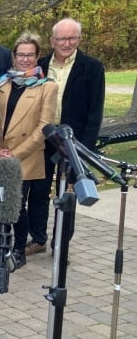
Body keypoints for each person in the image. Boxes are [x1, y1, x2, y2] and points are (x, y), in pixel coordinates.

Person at [0, 33, 58, 269]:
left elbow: (44, 127)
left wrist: (15, 154)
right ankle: (1, 246)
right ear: (13, 56)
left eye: (30, 55)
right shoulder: (1, 82)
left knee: (17, 205)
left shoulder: (47, 87)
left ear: (38, 56)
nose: (25, 59)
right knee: (0, 201)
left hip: (24, 156)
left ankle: (18, 249)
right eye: (20, 55)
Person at [34, 18, 105, 255]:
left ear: (79, 39)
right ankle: (38, 238)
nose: (67, 43)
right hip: (44, 138)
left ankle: (61, 244)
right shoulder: (40, 65)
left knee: (69, 194)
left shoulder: (92, 67)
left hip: (75, 143)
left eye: (72, 38)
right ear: (52, 40)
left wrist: (86, 149)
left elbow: (95, 112)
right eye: (62, 38)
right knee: (40, 190)